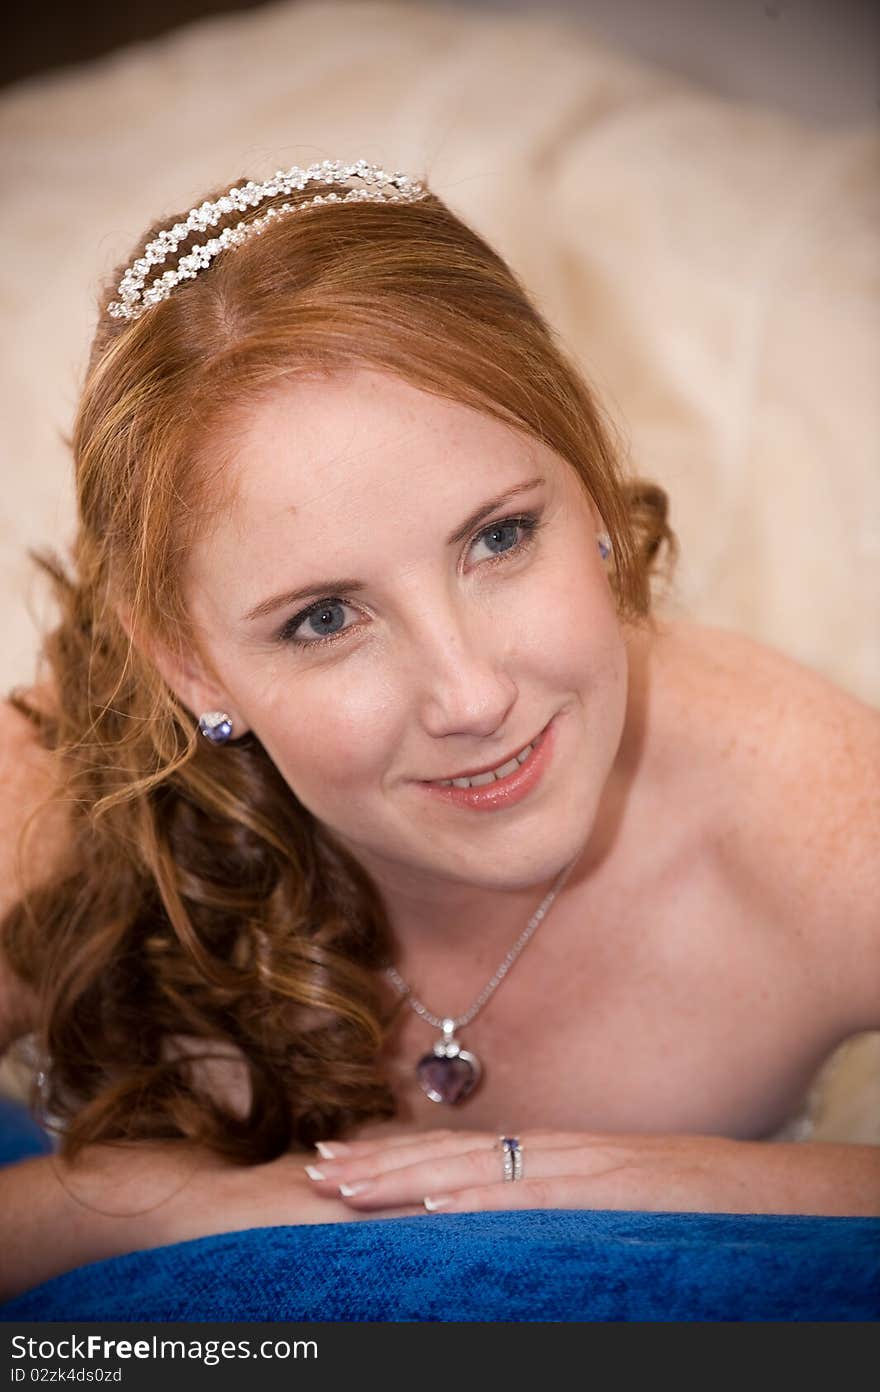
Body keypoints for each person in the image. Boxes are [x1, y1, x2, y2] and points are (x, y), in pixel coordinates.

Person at [1, 158, 878, 1304]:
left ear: (595, 491)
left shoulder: (804, 808)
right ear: (189, 662)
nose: (469, 696)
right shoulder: (73, 793)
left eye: (501, 538)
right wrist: (156, 1203)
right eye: (323, 618)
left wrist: (674, 1180)